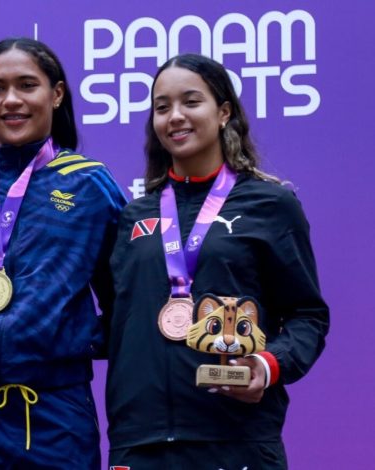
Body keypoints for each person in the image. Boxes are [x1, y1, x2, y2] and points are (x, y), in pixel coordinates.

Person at [106, 53, 329, 469]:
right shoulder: (134, 215)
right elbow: (115, 321)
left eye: (191, 102)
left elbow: (307, 315)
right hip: (140, 443)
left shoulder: (270, 204)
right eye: (161, 107)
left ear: (224, 112)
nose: (175, 117)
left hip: (236, 439)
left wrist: (267, 365)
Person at [0, 37, 127, 469]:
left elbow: (126, 297)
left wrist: (77, 337)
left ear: (56, 94)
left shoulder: (90, 184)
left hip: (57, 413)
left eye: (27, 85)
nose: (11, 100)